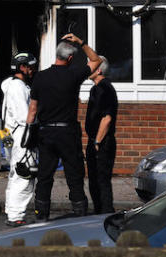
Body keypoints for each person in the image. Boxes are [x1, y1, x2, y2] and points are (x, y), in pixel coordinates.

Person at [26, 33, 107, 221]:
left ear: (57, 55)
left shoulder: (39, 77)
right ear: (70, 58)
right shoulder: (74, 74)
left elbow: (32, 111)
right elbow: (96, 60)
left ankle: (41, 217)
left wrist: (29, 134)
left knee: (45, 177)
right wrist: (81, 42)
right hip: (68, 133)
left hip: (46, 132)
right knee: (74, 176)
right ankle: (80, 216)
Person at [0, 52, 38, 227]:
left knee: (15, 172)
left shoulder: (11, 85)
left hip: (8, 133)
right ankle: (16, 216)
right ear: (22, 67)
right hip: (20, 134)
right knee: (24, 174)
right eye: (30, 66)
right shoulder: (19, 88)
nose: (33, 69)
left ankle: (11, 210)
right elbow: (25, 117)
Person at [85, 58, 118, 214]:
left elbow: (107, 118)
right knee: (94, 181)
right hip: (95, 141)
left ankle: (105, 213)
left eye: (90, 65)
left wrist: (97, 141)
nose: (87, 67)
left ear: (98, 70)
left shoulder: (105, 88)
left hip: (102, 142)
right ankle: (99, 212)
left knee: (102, 181)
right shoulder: (95, 89)